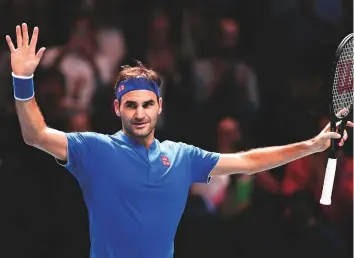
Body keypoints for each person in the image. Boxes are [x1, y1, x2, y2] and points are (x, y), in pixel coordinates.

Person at [5, 23, 352, 258]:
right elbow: (35, 135)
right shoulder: (95, 149)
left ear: (159, 107)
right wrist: (23, 79)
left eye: (146, 104)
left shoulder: (182, 156)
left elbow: (248, 162)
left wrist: (310, 145)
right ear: (117, 108)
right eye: (130, 105)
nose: (139, 113)